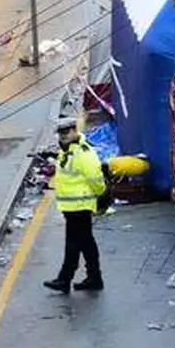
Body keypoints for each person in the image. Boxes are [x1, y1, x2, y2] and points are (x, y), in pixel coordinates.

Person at [43, 118, 107, 293]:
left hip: (80, 206)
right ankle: (93, 277)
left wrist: (99, 194)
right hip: (71, 207)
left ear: (74, 130)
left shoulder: (82, 152)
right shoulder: (67, 151)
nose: (63, 136)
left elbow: (95, 178)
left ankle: (66, 279)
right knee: (84, 243)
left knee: (75, 244)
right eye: (61, 133)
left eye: (66, 132)